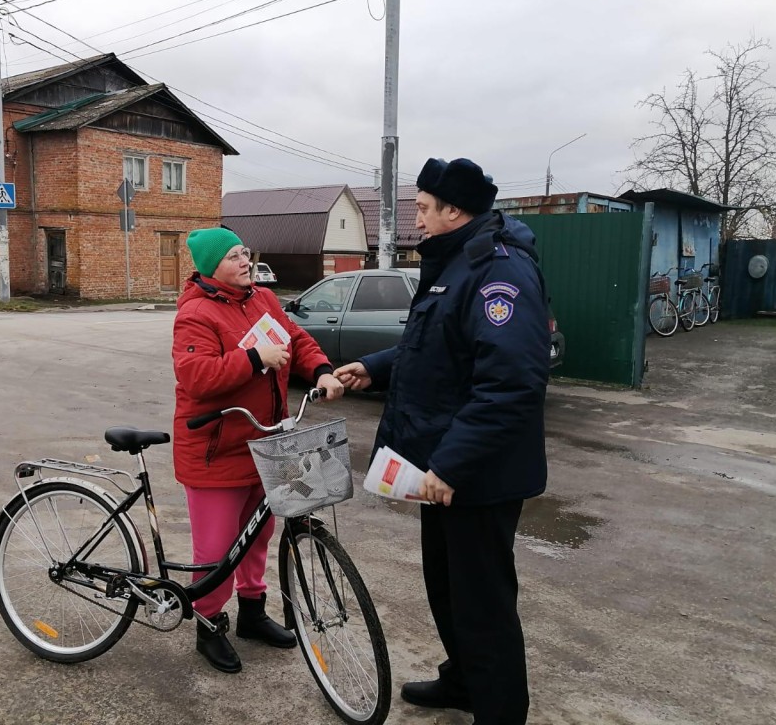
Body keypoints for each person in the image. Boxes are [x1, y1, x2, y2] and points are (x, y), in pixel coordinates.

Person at [335, 158, 549, 724]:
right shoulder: (456, 263)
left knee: (483, 604)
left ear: (455, 210)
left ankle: (499, 711)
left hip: (477, 475)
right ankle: (464, 682)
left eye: (425, 209)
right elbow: (435, 348)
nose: (418, 220)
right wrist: (373, 367)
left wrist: (451, 465)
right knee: (449, 591)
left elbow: (510, 384)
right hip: (445, 471)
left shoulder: (499, 272)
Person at [172, 227, 345, 674]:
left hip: (267, 442)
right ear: (212, 267)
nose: (245, 261)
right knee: (217, 549)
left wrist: (322, 371)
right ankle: (209, 625)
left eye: (244, 252)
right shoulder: (196, 313)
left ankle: (252, 612)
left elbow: (296, 339)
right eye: (233, 256)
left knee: (258, 537)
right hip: (216, 449)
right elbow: (196, 376)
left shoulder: (262, 300)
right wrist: (253, 359)